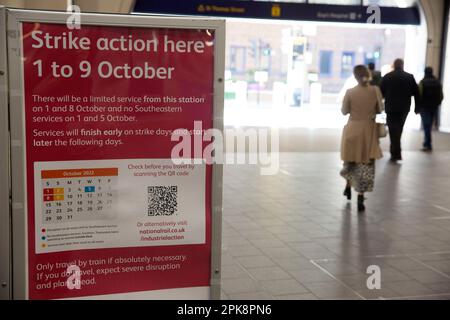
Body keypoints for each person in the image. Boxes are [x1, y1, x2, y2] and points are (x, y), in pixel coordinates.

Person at [340, 65, 383, 212]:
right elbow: (380, 110)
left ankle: (347, 186)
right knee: (365, 165)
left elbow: (344, 111)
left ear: (355, 76)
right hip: (368, 131)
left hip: (352, 130)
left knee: (350, 162)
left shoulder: (350, 92)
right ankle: (360, 196)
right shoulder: (375, 90)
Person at [380, 59, 419, 162]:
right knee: (399, 129)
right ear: (402, 65)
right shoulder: (409, 77)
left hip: (391, 108)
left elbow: (380, 92)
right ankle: (396, 152)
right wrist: (417, 108)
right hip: (404, 108)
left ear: (394, 65)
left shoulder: (387, 77)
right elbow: (416, 93)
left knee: (393, 130)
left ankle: (395, 152)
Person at [416, 67, 444, 152]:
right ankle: (427, 143)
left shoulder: (422, 82)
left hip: (424, 107)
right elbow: (441, 95)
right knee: (429, 125)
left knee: (426, 126)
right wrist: (437, 103)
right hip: (434, 107)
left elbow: (419, 95)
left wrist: (418, 106)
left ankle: (428, 144)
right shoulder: (437, 82)